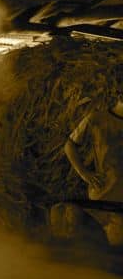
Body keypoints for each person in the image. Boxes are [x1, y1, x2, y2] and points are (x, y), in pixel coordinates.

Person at [52, 92, 123, 247]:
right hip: (105, 193)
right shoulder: (96, 119)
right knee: (106, 242)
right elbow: (69, 145)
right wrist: (84, 173)